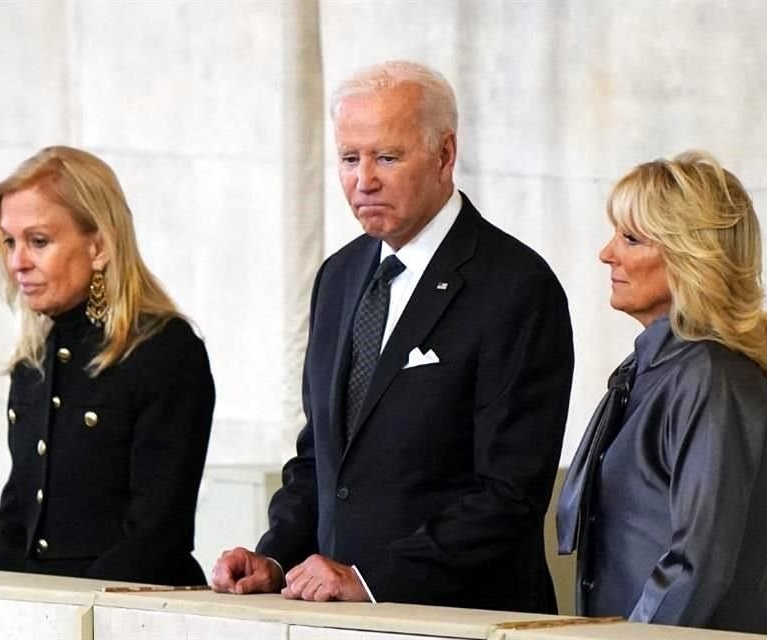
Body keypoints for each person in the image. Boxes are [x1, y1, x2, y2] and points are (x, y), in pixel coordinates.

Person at [211, 60, 574, 612]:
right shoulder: (338, 277)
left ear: (445, 154)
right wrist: (276, 558)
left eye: (387, 157)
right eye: (349, 159)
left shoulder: (516, 286)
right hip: (337, 621)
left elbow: (510, 492)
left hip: (464, 618)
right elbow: (321, 460)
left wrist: (371, 580)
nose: (364, 180)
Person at [557, 151, 767, 634]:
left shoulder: (710, 377)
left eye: (631, 238)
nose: (606, 254)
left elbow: (696, 561)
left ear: (691, 257)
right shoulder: (654, 369)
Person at [0, 146, 215, 585]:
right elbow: (17, 511)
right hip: (42, 605)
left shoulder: (164, 351)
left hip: (132, 604)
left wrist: (77, 611)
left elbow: (157, 530)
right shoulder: (35, 358)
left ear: (99, 246)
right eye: (10, 242)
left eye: (38, 241)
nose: (17, 263)